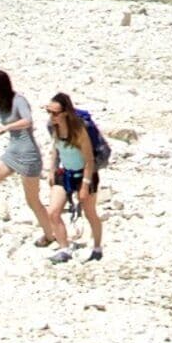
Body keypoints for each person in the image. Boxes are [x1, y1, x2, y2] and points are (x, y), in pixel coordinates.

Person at [0, 70, 65, 245]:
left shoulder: (18, 100)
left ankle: (50, 235)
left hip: (29, 155)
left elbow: (27, 120)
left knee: (33, 200)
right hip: (12, 153)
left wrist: (6, 128)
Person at [45, 93, 108, 263]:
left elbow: (89, 160)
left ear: (65, 112)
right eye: (48, 112)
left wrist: (85, 186)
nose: (51, 116)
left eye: (55, 113)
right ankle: (64, 249)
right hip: (65, 172)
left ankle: (97, 247)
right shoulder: (54, 127)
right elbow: (56, 149)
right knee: (53, 212)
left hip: (85, 175)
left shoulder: (79, 130)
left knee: (90, 213)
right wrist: (51, 170)